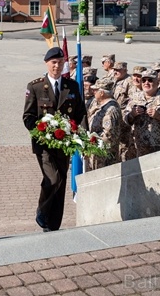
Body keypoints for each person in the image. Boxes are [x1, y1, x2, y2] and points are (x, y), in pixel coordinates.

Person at [23, 47, 87, 232]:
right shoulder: (35, 86)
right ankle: (42, 211)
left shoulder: (72, 86)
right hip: (44, 145)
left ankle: (53, 226)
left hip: (64, 144)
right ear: (46, 63)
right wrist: (42, 132)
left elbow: (80, 113)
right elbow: (28, 117)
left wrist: (82, 135)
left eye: (60, 62)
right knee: (52, 178)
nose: (57, 66)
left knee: (60, 184)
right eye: (53, 62)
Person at [123, 69, 160, 157]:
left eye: (150, 80)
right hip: (140, 148)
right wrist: (132, 114)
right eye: (144, 80)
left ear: (157, 83)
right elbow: (125, 117)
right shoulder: (135, 98)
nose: (146, 83)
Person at [87, 79, 122, 169]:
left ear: (102, 93)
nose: (93, 92)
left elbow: (108, 135)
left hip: (104, 156)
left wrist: (91, 142)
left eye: (96, 90)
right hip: (96, 152)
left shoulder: (111, 109)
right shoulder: (102, 106)